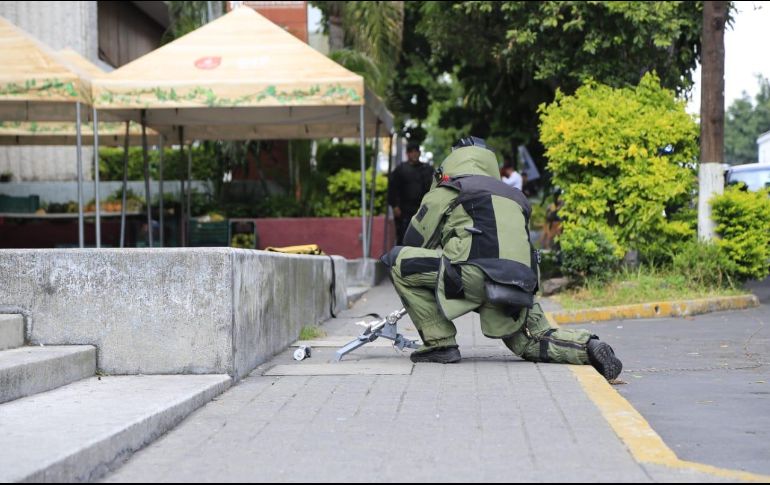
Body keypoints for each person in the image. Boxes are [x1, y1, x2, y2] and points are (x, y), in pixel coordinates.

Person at [380, 137, 622, 381]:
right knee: (530, 341)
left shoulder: (449, 188)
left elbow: (414, 242)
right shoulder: (514, 196)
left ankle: (440, 343)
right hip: (519, 281)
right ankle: (588, 348)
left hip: (469, 276)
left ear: (452, 161)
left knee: (398, 260)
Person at [388, 142, 434, 245]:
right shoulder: (400, 170)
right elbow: (392, 188)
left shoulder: (427, 169)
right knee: (404, 238)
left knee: (423, 238)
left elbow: (440, 179)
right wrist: (395, 206)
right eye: (411, 152)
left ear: (419, 153)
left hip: (423, 210)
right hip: (405, 211)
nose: (414, 154)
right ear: (407, 154)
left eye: (416, 151)